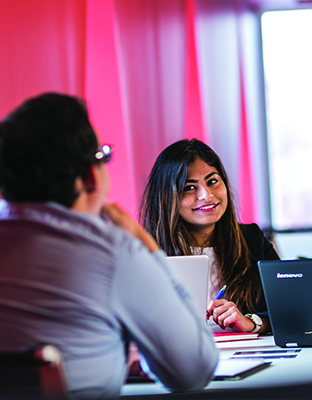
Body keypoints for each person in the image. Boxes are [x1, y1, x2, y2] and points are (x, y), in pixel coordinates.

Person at [0, 93, 218, 398]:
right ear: (91, 175)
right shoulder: (113, 252)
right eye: (102, 157)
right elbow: (193, 371)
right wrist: (148, 250)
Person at [139, 139, 279, 335]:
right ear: (167, 197)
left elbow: (289, 311)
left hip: (249, 357)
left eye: (213, 181)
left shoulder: (251, 240)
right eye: (189, 187)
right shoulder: (145, 253)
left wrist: (251, 322)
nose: (206, 195)